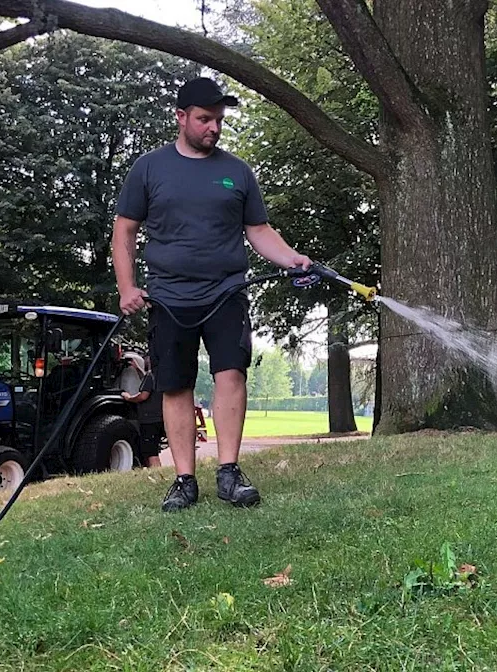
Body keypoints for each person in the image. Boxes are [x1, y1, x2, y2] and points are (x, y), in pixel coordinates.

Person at [112, 76, 311, 512]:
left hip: (227, 292)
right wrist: (127, 287)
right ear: (180, 117)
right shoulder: (148, 168)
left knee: (231, 374)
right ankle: (185, 480)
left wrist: (291, 257)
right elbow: (124, 229)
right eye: (205, 119)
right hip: (167, 297)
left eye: (219, 120)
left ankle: (229, 473)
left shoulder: (237, 171)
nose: (214, 128)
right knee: (176, 385)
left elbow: (258, 230)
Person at [121, 356, 164, 468]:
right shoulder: (159, 375)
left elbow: (143, 396)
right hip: (159, 418)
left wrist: (129, 398)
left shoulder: (151, 376)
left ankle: (158, 475)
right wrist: (138, 368)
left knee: (151, 452)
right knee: (151, 448)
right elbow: (147, 381)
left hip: (149, 419)